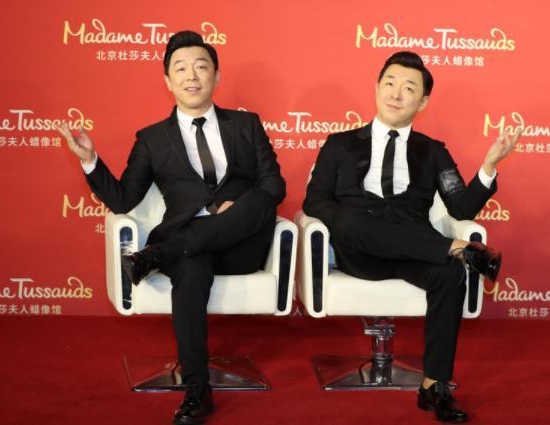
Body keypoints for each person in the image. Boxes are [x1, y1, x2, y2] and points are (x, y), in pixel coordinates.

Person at [58, 30, 285, 425]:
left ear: (216, 75)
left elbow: (274, 185)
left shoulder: (246, 125)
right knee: (192, 265)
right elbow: (124, 200)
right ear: (167, 80)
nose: (191, 75)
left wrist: (237, 207)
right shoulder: (151, 139)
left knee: (260, 198)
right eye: (180, 68)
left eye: (201, 66)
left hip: (240, 243)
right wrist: (90, 160)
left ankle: (157, 255)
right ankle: (197, 391)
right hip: (189, 247)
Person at [303, 51, 520, 423]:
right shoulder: (339, 144)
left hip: (413, 252)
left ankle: (434, 387)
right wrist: (344, 221)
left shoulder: (433, 151)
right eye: (389, 83)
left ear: (423, 102)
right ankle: (460, 249)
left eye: (408, 88)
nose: (396, 93)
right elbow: (315, 201)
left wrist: (489, 166)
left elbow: (461, 207)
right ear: (376, 88)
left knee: (450, 273)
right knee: (351, 220)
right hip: (360, 251)